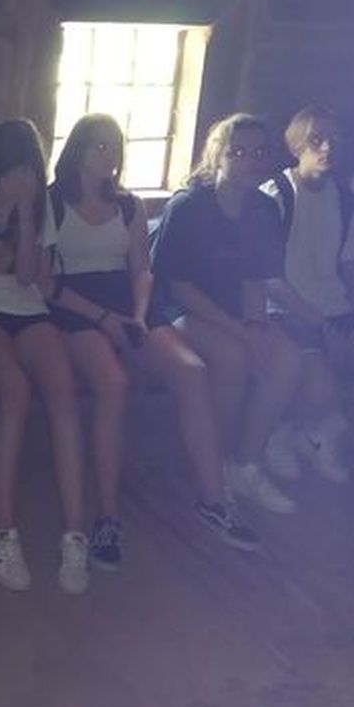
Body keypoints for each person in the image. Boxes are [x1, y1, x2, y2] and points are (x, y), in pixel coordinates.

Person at [45, 114, 259, 568]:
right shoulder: (53, 201)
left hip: (128, 302)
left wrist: (139, 315)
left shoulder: (129, 205)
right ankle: (108, 517)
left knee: (191, 371)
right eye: (100, 145)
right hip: (76, 306)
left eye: (115, 145)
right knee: (113, 383)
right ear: (78, 150)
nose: (110, 154)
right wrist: (103, 318)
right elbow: (46, 283)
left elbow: (142, 269)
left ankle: (213, 497)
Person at [0, 119, 89, 594]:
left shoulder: (40, 204)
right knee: (15, 391)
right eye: (14, 169)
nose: (23, 178)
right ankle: (3, 531)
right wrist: (1, 213)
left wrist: (26, 213)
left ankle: (74, 533)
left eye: (30, 170)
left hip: (28, 309)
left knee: (63, 392)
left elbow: (28, 276)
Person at [151, 113, 302, 514]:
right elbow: (177, 285)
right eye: (238, 152)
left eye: (258, 152)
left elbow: (256, 276)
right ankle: (212, 465)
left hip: (237, 310)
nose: (249, 161)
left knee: (286, 358)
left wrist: (255, 325)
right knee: (232, 358)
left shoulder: (263, 209)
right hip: (181, 307)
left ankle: (245, 462)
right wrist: (239, 331)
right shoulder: (188, 207)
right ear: (217, 155)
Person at [259, 106, 353, 483]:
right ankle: (281, 434)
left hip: (333, 306)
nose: (327, 148)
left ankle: (319, 432)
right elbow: (269, 278)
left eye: (333, 139)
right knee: (320, 386)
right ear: (297, 145)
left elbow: (347, 264)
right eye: (316, 140)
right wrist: (320, 323)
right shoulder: (276, 194)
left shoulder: (344, 199)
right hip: (285, 309)